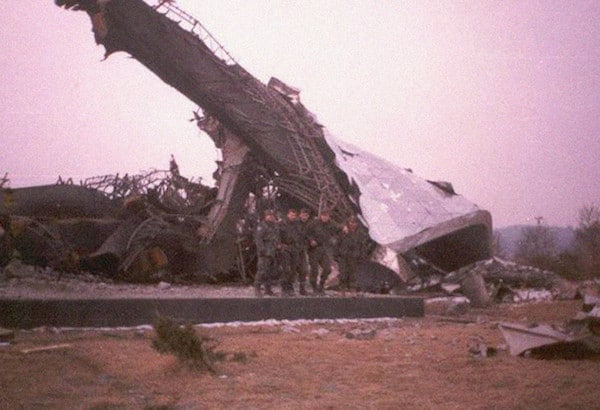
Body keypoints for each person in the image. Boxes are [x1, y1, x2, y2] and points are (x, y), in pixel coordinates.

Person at [305, 209, 340, 294]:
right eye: (323, 216)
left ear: (329, 217)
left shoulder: (331, 224)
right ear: (321, 216)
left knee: (327, 268)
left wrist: (335, 238)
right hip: (314, 249)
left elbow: (339, 229)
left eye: (327, 216)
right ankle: (314, 287)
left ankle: (321, 284)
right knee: (314, 270)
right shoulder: (313, 223)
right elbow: (306, 233)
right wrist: (311, 240)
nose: (325, 218)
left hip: (324, 249)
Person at [254, 209, 280, 297]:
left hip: (273, 251)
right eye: (269, 216)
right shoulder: (262, 226)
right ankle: (257, 288)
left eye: (272, 216)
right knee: (262, 271)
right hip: (265, 251)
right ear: (265, 217)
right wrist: (262, 250)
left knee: (270, 271)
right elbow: (258, 239)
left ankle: (268, 289)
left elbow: (277, 237)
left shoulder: (275, 226)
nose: (270, 217)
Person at [279, 208, 304, 296]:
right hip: (285, 247)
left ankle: (290, 287)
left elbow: (300, 235)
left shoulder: (297, 224)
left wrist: (299, 246)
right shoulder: (282, 223)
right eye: (291, 215)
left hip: (295, 248)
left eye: (294, 215)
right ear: (288, 215)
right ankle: (284, 288)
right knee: (286, 268)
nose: (293, 217)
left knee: (293, 269)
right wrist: (280, 244)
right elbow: (277, 235)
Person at [337, 216, 364, 292]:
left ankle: (352, 289)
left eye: (354, 223)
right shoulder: (343, 232)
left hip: (354, 256)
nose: (353, 224)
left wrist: (361, 256)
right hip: (343, 256)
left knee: (353, 274)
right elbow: (338, 243)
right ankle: (342, 289)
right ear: (348, 223)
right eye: (351, 222)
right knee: (343, 273)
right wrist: (336, 255)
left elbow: (361, 246)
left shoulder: (359, 234)